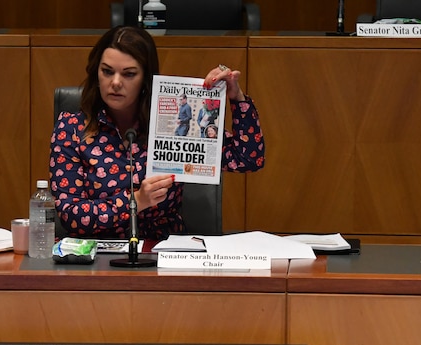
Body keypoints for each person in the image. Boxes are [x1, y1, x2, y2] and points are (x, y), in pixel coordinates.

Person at [49, 25, 264, 240]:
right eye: (107, 71)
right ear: (97, 74)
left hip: (162, 252)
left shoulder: (169, 124)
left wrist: (237, 98)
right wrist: (137, 201)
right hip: (96, 255)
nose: (115, 82)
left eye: (129, 74)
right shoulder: (72, 129)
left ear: (145, 79)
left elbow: (247, 158)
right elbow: (71, 215)